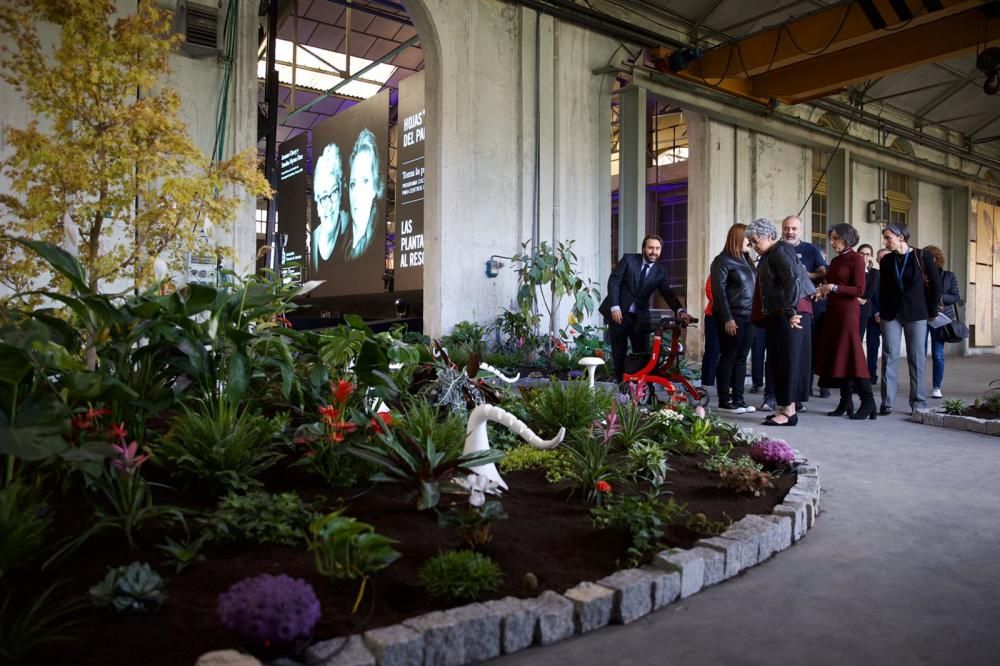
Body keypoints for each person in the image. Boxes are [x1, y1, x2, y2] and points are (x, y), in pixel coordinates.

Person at [599, 234, 689, 382]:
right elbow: (614, 282)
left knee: (643, 353)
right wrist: (615, 307)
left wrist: (680, 311)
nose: (654, 251)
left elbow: (667, 293)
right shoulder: (629, 260)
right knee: (619, 351)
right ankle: (622, 385)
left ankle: (642, 387)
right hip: (620, 313)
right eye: (650, 248)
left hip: (640, 317)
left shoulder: (660, 271)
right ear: (643, 249)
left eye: (657, 248)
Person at [814, 224, 877, 420]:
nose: (831, 242)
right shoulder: (836, 259)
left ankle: (868, 401)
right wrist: (823, 289)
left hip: (848, 314)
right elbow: (831, 284)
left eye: (835, 238)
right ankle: (845, 401)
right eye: (831, 238)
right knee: (841, 357)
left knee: (854, 357)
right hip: (833, 312)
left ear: (846, 238)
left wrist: (833, 288)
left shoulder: (857, 259)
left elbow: (859, 290)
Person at [746, 218, 805, 427]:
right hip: (778, 314)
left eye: (755, 241)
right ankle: (784, 407)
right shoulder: (772, 253)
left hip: (785, 314)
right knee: (777, 361)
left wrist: (790, 311)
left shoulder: (780, 251)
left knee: (786, 361)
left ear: (769, 236)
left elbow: (793, 280)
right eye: (750, 242)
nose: (753, 246)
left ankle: (789, 412)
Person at [878, 223, 942, 415]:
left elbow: (937, 286)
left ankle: (918, 402)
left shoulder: (922, 256)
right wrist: (880, 311)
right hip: (891, 314)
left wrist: (931, 311)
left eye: (888, 238)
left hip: (916, 314)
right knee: (890, 355)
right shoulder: (887, 261)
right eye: (885, 238)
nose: (886, 241)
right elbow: (883, 288)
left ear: (901, 238)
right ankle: (887, 402)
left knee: (916, 358)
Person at [710, 224, 757, 414]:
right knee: (729, 356)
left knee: (741, 358)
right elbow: (718, 293)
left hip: (750, 316)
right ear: (739, 237)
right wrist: (727, 318)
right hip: (732, 316)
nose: (751, 241)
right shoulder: (722, 261)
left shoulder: (747, 260)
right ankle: (724, 400)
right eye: (749, 238)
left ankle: (739, 399)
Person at [781, 215, 828, 400]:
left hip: (804, 306)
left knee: (804, 352)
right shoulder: (778, 249)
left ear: (800, 230)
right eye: (786, 228)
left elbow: (823, 271)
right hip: (780, 307)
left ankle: (803, 391)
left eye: (794, 228)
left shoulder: (811, 249)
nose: (790, 232)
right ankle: (774, 394)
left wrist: (804, 274)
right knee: (780, 351)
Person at [923, 245, 962, 398]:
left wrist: (938, 297)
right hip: (922, 317)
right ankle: (919, 385)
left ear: (937, 259)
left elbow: (955, 297)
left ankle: (936, 387)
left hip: (941, 319)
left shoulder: (948, 276)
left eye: (931, 258)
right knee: (920, 353)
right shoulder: (920, 275)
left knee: (938, 354)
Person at [344, 128, 385, 261]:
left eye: (365, 181)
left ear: (375, 188)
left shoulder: (375, 241)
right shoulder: (344, 244)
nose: (357, 194)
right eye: (353, 184)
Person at [312, 143, 348, 270]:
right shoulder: (314, 239)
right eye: (323, 198)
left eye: (333, 193)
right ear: (317, 204)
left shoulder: (350, 228)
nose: (329, 205)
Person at [868, 248, 890, 383]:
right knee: (872, 347)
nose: (882, 260)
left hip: (891, 317)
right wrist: (876, 313)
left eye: (885, 257)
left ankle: (889, 378)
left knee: (890, 350)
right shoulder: (874, 275)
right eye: (879, 257)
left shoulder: (897, 276)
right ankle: (871, 375)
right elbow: (868, 296)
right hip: (873, 316)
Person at [701, 275, 720, 389]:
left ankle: (729, 384)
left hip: (735, 315)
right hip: (714, 314)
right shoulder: (719, 266)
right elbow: (709, 289)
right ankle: (706, 382)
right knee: (712, 348)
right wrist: (723, 306)